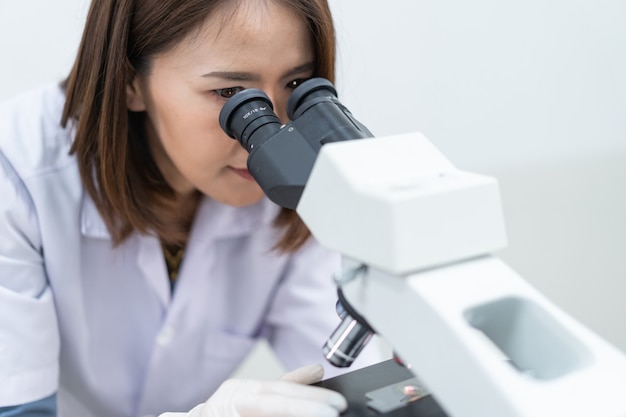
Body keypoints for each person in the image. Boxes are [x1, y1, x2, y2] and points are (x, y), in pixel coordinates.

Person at [0, 0, 382, 416]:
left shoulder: (291, 186)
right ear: (130, 82)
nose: (273, 137)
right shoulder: (17, 173)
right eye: (230, 94)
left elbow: (350, 383)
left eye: (296, 84)